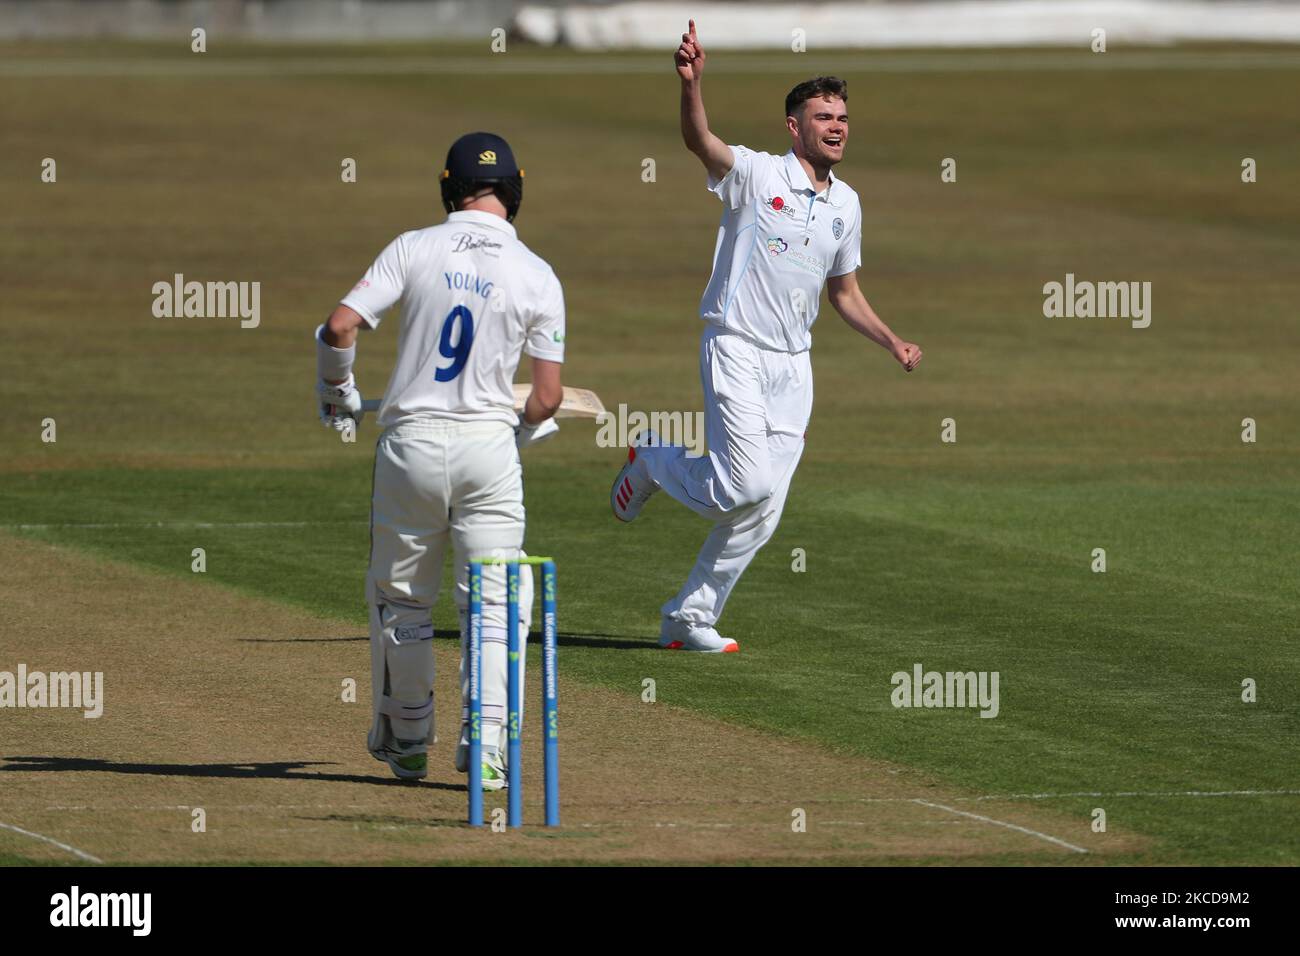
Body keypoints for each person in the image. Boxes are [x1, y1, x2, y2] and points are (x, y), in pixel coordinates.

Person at [611, 21, 923, 653]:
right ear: (794, 126)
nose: (836, 126)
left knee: (765, 508)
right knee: (742, 487)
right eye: (822, 116)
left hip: (793, 367)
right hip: (736, 346)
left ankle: (688, 617)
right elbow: (699, 141)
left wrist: (892, 342)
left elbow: (845, 294)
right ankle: (652, 459)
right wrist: (693, 83)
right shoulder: (756, 175)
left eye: (841, 117)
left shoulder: (847, 205)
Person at [315, 132, 565, 786]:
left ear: (448, 186)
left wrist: (337, 393)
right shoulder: (538, 272)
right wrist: (523, 427)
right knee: (493, 599)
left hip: (410, 443)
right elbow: (545, 398)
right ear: (515, 190)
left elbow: (339, 327)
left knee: (403, 603)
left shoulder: (414, 246)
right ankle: (486, 749)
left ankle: (407, 735)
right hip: (488, 449)